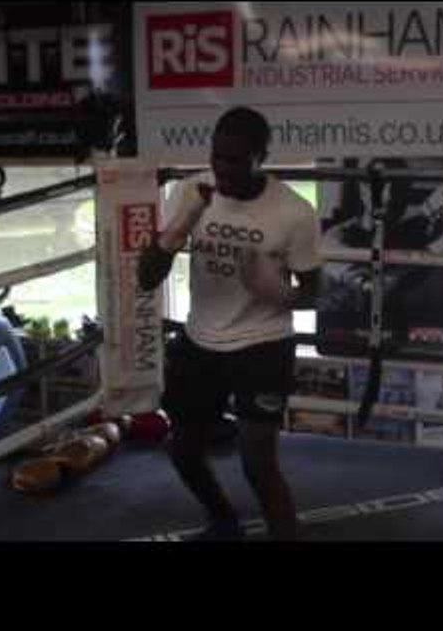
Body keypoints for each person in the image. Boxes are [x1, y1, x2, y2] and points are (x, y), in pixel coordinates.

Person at [137, 106, 321, 541]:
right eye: (218, 157)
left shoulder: (293, 211)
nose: (223, 169)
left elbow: (314, 292)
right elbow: (146, 277)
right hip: (201, 339)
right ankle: (222, 519)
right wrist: (182, 224)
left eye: (236, 160)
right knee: (181, 450)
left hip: (264, 344)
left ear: (261, 157)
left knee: (258, 464)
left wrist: (278, 293)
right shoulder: (190, 191)